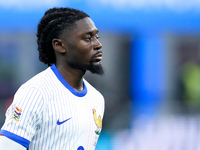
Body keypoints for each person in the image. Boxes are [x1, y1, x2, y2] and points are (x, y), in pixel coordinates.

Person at [0, 7, 105, 150]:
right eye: (88, 38)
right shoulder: (35, 92)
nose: (98, 45)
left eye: (96, 37)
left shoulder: (96, 99)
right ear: (59, 45)